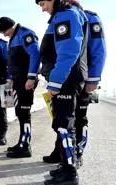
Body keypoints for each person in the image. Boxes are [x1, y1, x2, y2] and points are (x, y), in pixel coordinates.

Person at [42, 0, 107, 173]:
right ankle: (65, 156)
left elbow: (97, 50)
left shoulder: (76, 15)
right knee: (66, 119)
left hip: (71, 77)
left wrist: (93, 79)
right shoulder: (61, 16)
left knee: (73, 120)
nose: (42, 8)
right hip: (69, 76)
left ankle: (73, 159)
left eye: (42, 3)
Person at [36, 0, 89, 184]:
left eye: (43, 3)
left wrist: (56, 82)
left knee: (64, 125)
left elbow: (68, 52)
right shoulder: (65, 15)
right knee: (64, 124)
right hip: (66, 78)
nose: (42, 9)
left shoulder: (66, 15)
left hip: (65, 79)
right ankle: (66, 167)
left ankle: (70, 174)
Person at [0, 17, 40, 158]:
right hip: (18, 81)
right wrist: (10, 78)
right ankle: (22, 142)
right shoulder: (13, 38)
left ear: (10, 27)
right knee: (20, 112)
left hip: (26, 81)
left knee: (24, 112)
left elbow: (35, 54)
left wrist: (31, 77)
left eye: (4, 31)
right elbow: (13, 62)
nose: (4, 35)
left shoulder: (25, 34)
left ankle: (25, 147)